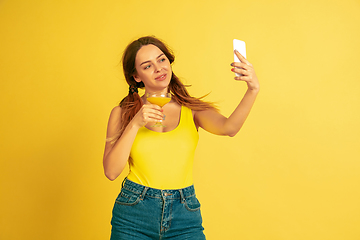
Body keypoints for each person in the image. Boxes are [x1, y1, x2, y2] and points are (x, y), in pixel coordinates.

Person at [103, 36, 259, 240]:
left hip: (184, 214)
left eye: (161, 60)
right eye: (147, 66)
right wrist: (135, 124)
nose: (158, 68)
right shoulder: (122, 113)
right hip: (133, 214)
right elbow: (111, 172)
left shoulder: (191, 109)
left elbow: (229, 128)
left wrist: (252, 89)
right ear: (137, 76)